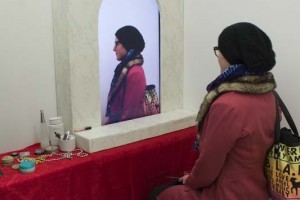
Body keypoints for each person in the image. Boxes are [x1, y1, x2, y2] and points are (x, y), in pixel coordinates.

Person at [150, 22, 277, 200]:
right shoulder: (269, 95)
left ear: (232, 55)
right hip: (258, 190)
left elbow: (209, 165)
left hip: (226, 193)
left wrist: (190, 180)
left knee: (159, 194)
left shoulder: (227, 104)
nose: (218, 57)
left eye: (219, 50)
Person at [105, 25, 146, 124]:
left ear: (127, 44)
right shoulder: (124, 69)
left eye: (117, 43)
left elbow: (129, 117)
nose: (114, 48)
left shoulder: (135, 73)